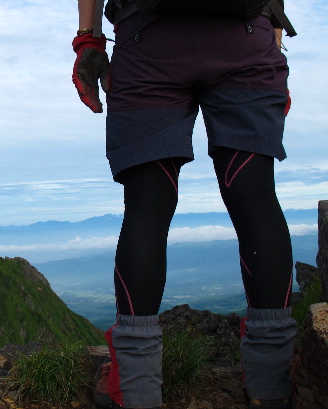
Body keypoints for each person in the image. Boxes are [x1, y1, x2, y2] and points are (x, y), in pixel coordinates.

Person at [72, 1, 298, 408]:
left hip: (149, 40)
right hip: (246, 38)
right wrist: (272, 46)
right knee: (255, 198)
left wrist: (88, 41)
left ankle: (136, 390)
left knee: (147, 206)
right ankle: (270, 384)